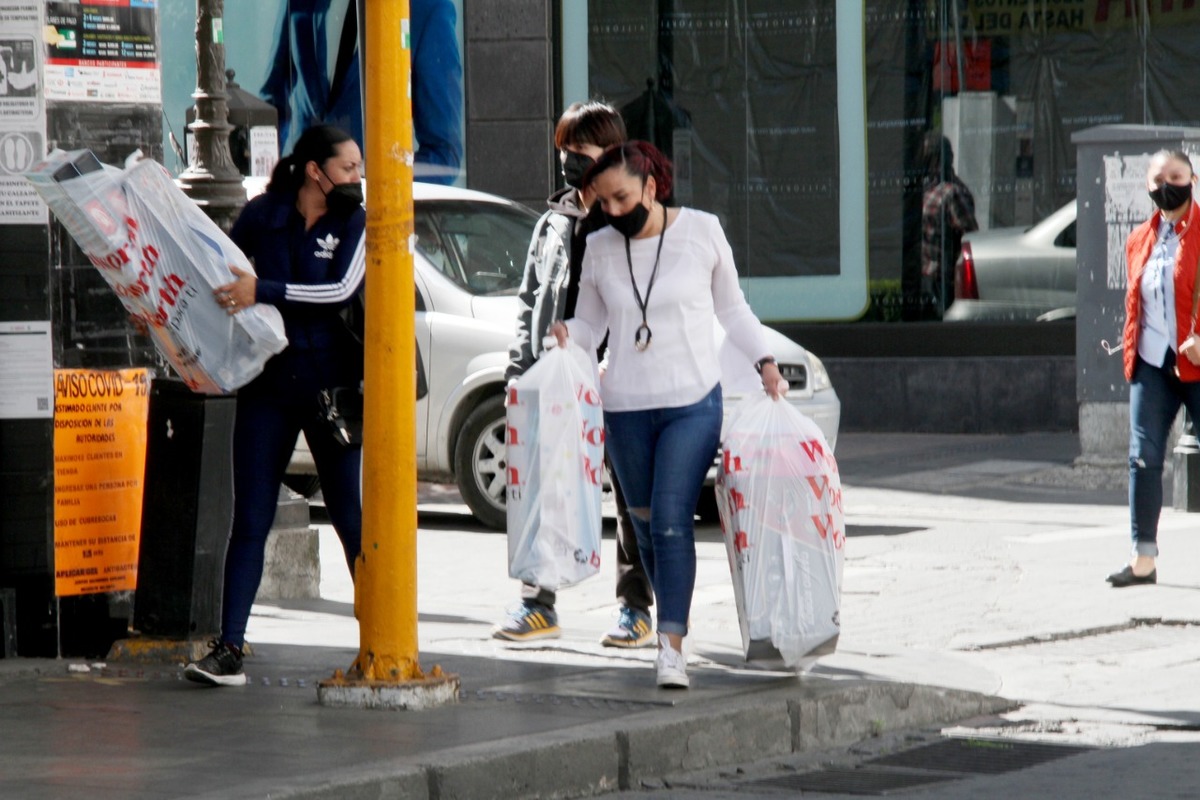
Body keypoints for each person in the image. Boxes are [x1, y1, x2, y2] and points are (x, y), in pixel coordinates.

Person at [550, 141, 787, 688]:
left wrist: (766, 361)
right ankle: (673, 622)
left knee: (672, 519)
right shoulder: (600, 246)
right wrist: (567, 334)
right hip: (625, 409)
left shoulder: (702, 232)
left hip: (692, 404)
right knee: (646, 527)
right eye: (603, 202)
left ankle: (670, 647)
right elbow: (591, 325)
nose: (613, 210)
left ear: (652, 187)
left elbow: (733, 309)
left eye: (621, 197)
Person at [185, 125, 366, 685]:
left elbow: (340, 291)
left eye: (359, 168)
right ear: (315, 170)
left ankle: (379, 640)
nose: (357, 178)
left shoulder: (355, 222)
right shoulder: (263, 215)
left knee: (349, 517)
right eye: (349, 168)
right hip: (268, 385)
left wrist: (263, 290)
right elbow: (219, 275)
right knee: (250, 517)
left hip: (331, 388)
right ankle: (229, 648)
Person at [493, 101, 655, 649]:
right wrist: (519, 371)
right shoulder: (552, 223)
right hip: (553, 381)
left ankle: (635, 607)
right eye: (563, 150)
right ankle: (537, 602)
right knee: (542, 491)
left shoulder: (625, 222)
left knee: (629, 499)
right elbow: (529, 301)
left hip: (612, 380)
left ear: (611, 153)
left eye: (580, 150)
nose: (568, 162)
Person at [1108, 149, 1200, 588]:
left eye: (1176, 177)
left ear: (1193, 180)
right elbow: (1137, 304)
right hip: (1152, 362)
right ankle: (1143, 559)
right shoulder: (1139, 239)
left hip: (1196, 361)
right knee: (1142, 457)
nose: (1167, 186)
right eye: (1159, 180)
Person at [260, 0, 463, 184]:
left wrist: (371, 188)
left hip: (370, 206)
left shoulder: (427, 9)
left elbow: (443, 154)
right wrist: (272, 183)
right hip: (301, 201)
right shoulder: (299, 4)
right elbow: (271, 106)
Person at [919, 131, 977, 313]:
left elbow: (970, 237)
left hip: (940, 280)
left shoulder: (952, 192)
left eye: (927, 157)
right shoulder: (925, 188)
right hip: (923, 276)